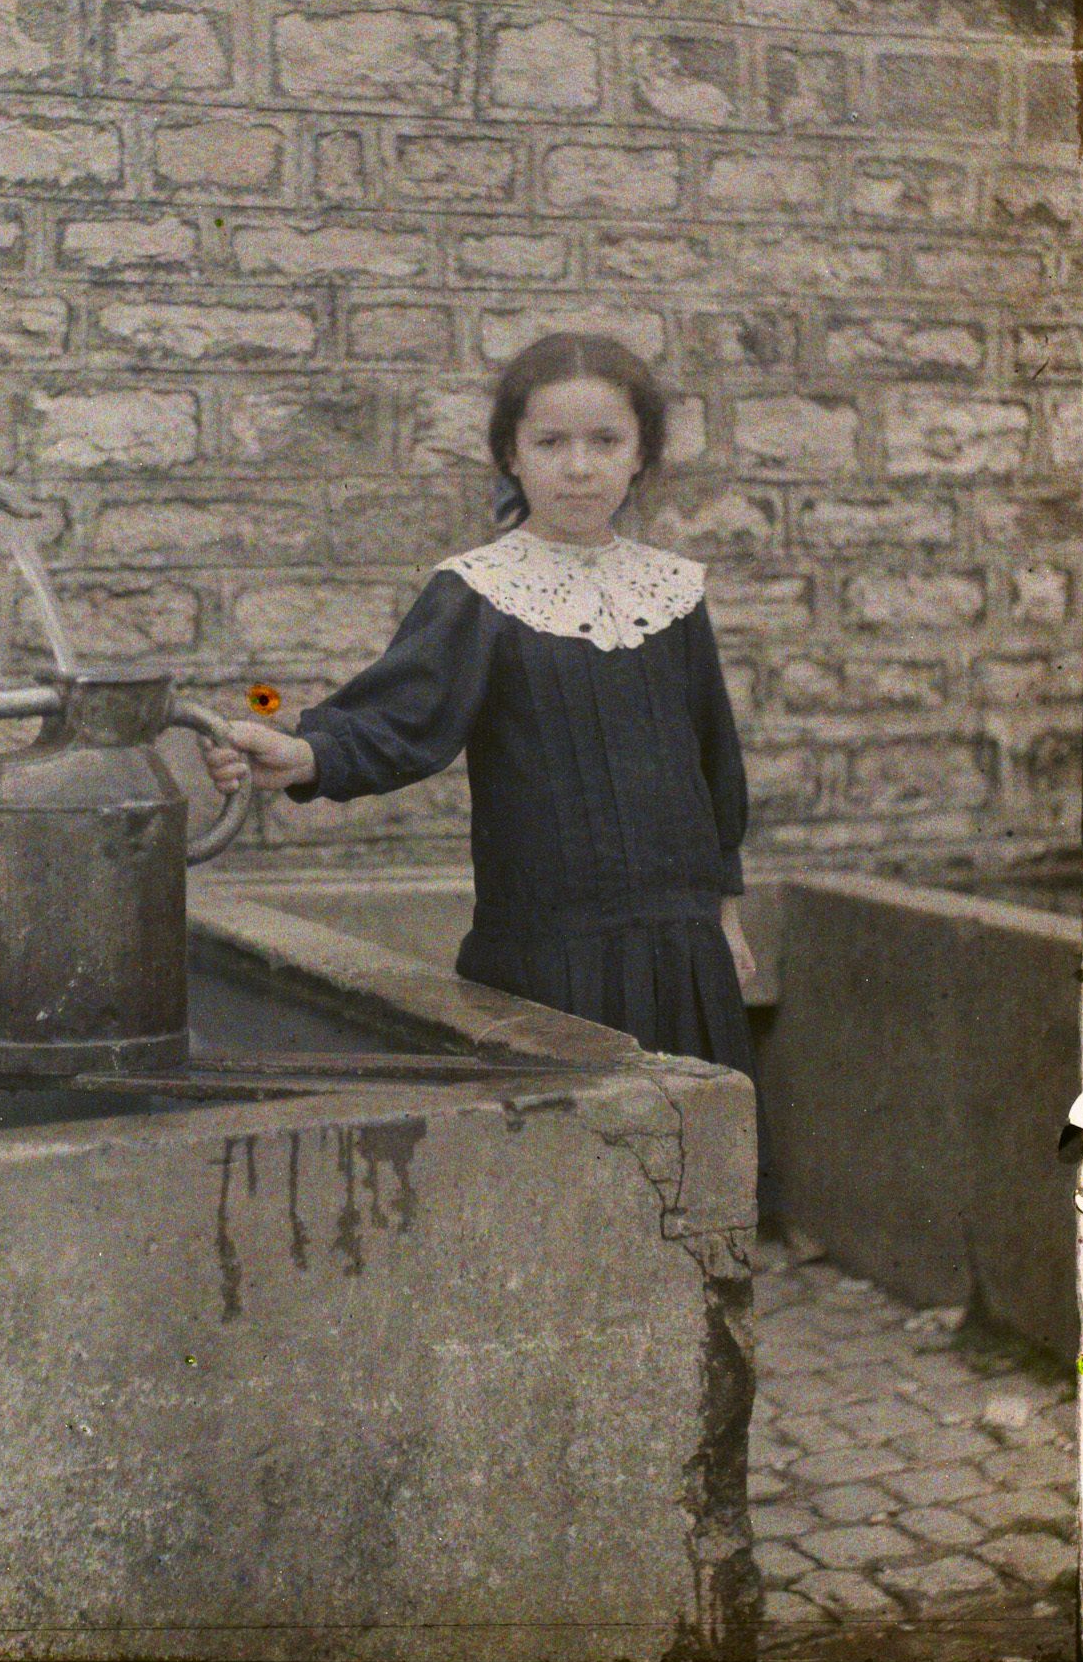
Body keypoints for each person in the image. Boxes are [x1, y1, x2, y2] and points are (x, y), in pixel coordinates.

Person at [202, 332, 771, 1210]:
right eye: (550, 442)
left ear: (641, 454)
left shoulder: (673, 591)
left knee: (694, 1189)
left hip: (681, 945)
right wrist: (304, 750)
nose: (577, 467)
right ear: (510, 453)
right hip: (552, 953)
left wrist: (723, 915)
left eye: (604, 441)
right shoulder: (481, 590)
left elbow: (712, 760)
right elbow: (400, 718)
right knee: (571, 1189)